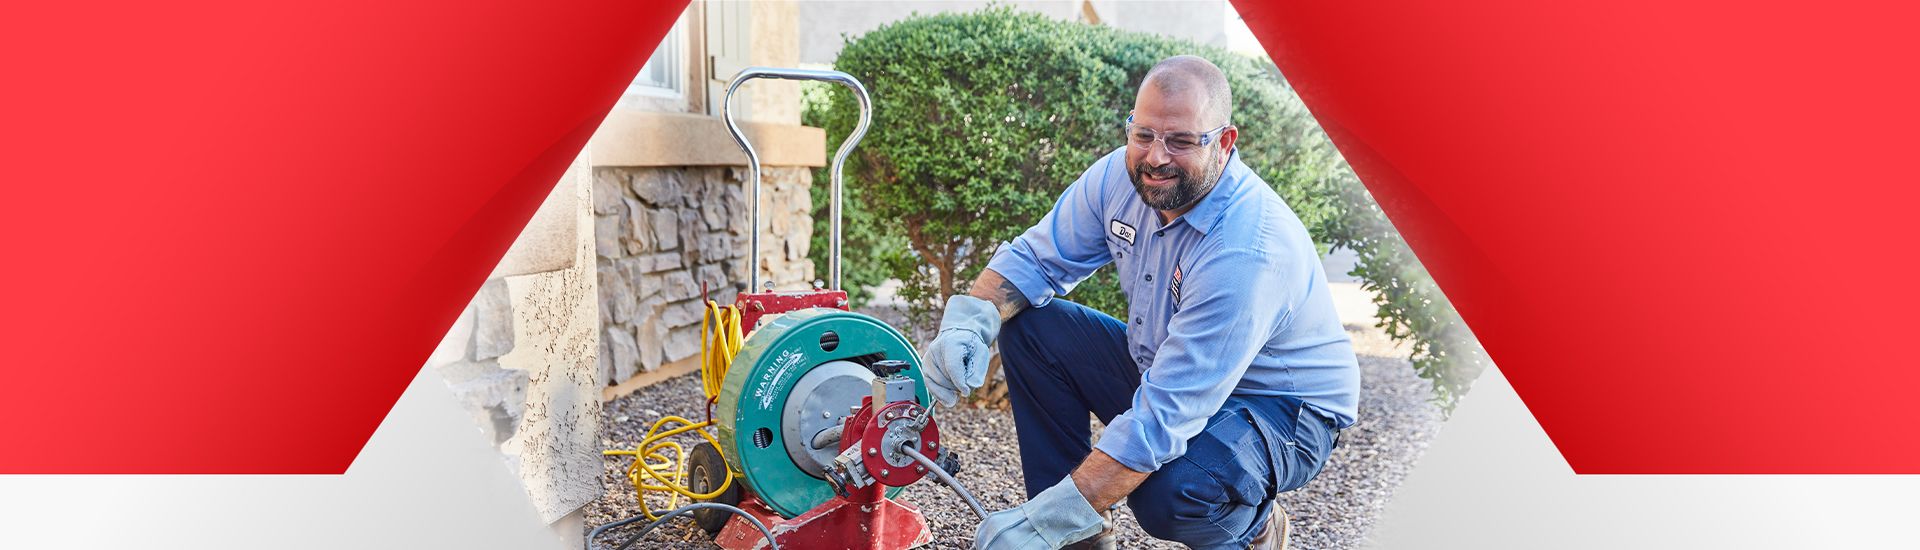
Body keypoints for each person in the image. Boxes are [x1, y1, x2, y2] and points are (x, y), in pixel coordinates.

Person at [923, 55, 1360, 550]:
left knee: (1173, 494)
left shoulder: (1245, 250)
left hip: (1281, 409)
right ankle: (1075, 542)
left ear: (1223, 141)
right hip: (1172, 371)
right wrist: (970, 319)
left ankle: (1254, 528)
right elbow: (1036, 261)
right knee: (1031, 329)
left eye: (1180, 140)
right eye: (1144, 134)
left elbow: (1162, 419)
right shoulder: (1120, 177)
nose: (1156, 157)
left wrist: (1047, 520)